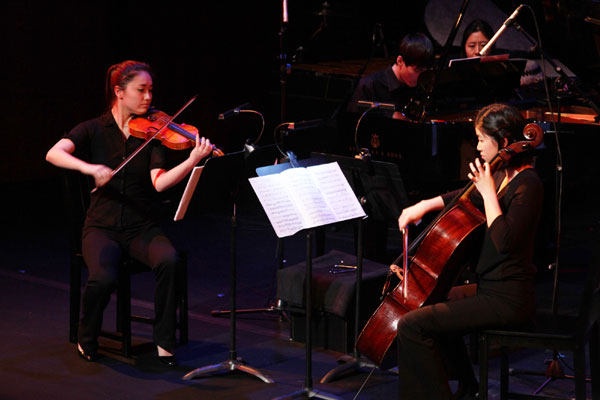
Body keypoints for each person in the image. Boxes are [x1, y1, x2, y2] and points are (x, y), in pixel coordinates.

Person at [46, 60, 214, 366]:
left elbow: (160, 183)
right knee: (104, 277)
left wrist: (192, 161)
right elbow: (53, 153)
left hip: (141, 226)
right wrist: (90, 168)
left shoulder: (152, 133)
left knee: (170, 261)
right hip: (101, 226)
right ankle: (87, 336)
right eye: (141, 90)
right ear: (119, 92)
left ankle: (164, 341)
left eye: (151, 90)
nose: (149, 97)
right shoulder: (94, 128)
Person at [392, 103, 543, 399]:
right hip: (489, 288)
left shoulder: (529, 184)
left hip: (509, 298)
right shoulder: (500, 175)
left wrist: (488, 193)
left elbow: (504, 241)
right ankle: (467, 385)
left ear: (501, 142)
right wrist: (422, 205)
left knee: (411, 326)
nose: (477, 147)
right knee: (429, 304)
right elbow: (463, 197)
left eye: (481, 140)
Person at [347, 32, 434, 114]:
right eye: (417, 71)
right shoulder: (369, 86)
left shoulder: (420, 87)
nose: (421, 76)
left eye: (424, 72)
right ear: (400, 61)